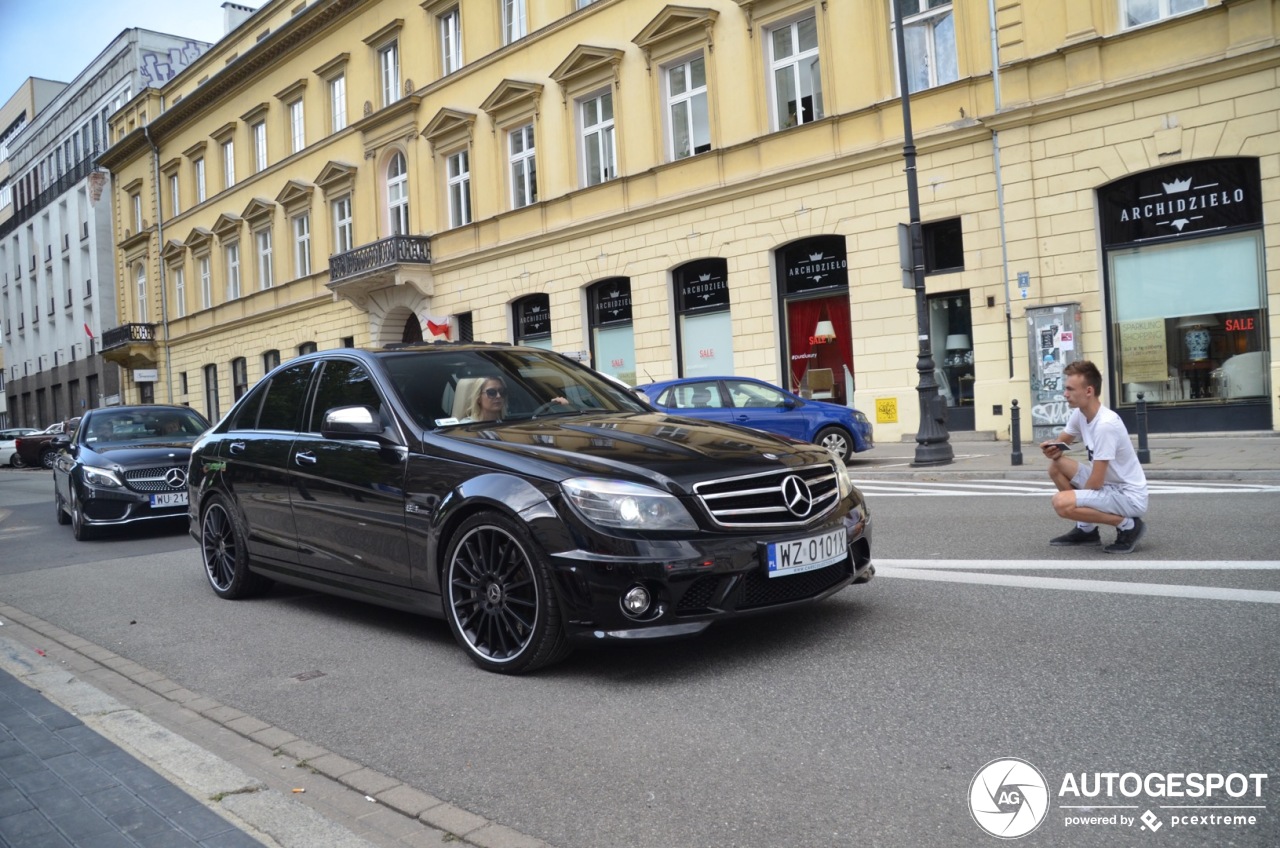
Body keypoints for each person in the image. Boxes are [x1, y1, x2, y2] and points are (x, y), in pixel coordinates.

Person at [1042, 360, 1149, 554]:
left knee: (1061, 502)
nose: (1065, 394)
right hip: (1109, 486)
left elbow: (1096, 482)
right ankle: (1087, 530)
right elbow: (1061, 445)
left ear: (1089, 391)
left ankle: (1128, 525)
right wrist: (1052, 449)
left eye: (1070, 389)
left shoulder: (1105, 425)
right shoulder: (1080, 414)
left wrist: (1076, 501)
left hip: (1128, 496)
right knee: (1056, 467)